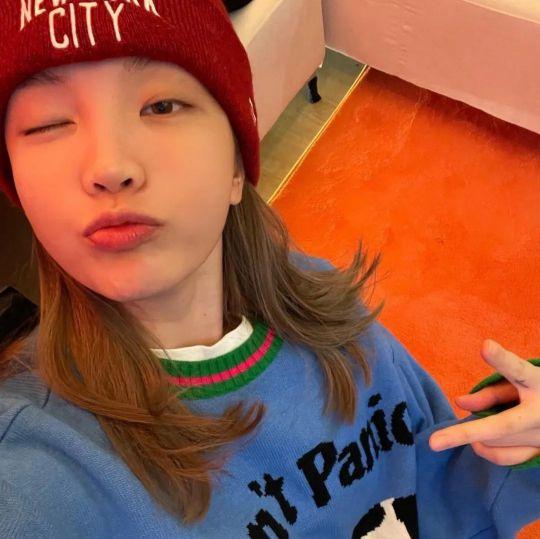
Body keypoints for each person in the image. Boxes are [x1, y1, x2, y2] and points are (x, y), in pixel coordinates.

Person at [0, 1, 538, 537]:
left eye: (161, 106)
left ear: (237, 166)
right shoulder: (37, 476)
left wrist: (521, 437)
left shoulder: (325, 305)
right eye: (48, 123)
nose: (110, 166)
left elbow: (439, 483)